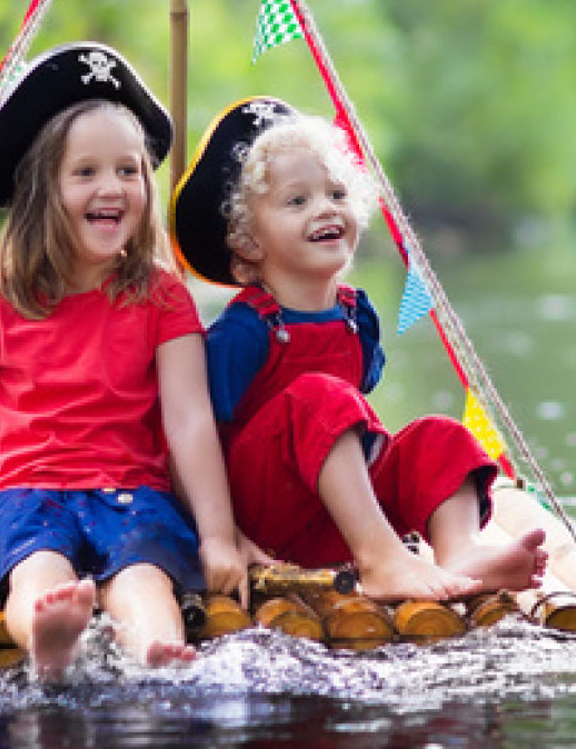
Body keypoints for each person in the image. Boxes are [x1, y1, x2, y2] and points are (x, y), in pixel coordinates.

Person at [0, 43, 247, 681]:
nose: (112, 187)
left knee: (144, 573)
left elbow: (190, 421)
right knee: (36, 570)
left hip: (132, 494)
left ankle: (152, 647)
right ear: (42, 191)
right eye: (85, 172)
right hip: (22, 495)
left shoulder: (162, 296)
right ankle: (47, 638)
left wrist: (218, 536)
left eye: (127, 170)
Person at [168, 97, 547, 602]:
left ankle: (459, 551)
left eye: (336, 193)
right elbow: (189, 438)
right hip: (265, 518)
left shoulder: (355, 317)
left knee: (440, 434)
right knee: (320, 398)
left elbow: (356, 435)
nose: (324, 208)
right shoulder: (245, 330)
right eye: (296, 201)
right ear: (248, 241)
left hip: (334, 516)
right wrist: (224, 536)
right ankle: (381, 559)